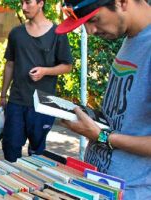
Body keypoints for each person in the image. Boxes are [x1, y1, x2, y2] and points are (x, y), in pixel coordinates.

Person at [55, 0, 151, 198]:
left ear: (122, 2)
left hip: (131, 192)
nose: (89, 31)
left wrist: (102, 135)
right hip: (100, 184)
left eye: (94, 19)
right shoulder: (132, 38)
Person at [0, 0, 73, 162]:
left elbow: (67, 66)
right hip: (16, 101)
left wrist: (46, 71)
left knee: (37, 153)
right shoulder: (16, 33)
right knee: (10, 149)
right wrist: (3, 95)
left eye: (28, 2)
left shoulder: (58, 33)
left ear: (41, 3)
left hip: (43, 104)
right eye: (21, 3)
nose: (23, 7)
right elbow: (10, 64)